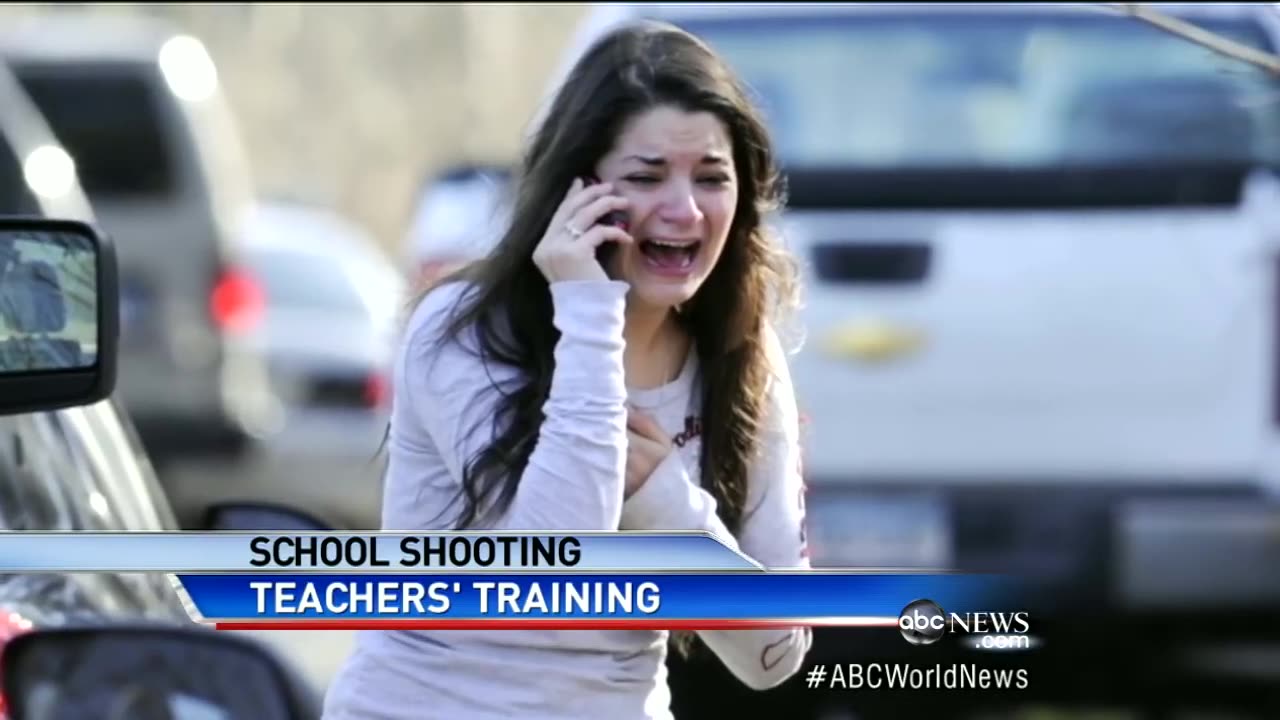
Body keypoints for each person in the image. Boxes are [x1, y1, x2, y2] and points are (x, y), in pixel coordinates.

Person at [322, 19, 812, 720]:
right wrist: (586, 308)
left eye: (712, 178)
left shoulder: (742, 356)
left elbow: (776, 654)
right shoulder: (461, 331)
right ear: (577, 193)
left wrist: (667, 505)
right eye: (646, 177)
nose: (683, 208)